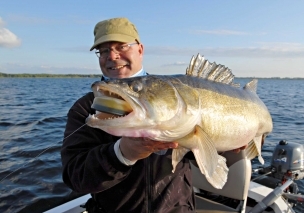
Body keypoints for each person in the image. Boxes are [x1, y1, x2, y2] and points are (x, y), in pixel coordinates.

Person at [61, 17, 246, 213]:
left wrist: (228, 144)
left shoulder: (174, 93)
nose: (112, 56)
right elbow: (75, 176)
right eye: (104, 50)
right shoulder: (85, 108)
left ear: (140, 49)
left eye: (121, 47)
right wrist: (122, 154)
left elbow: (199, 151)